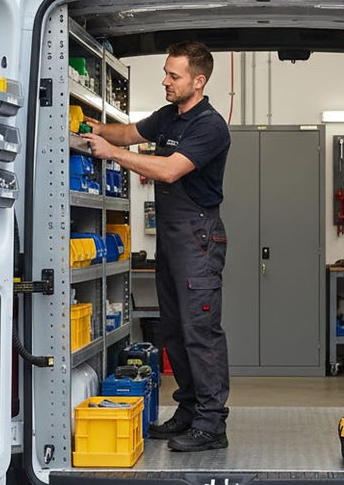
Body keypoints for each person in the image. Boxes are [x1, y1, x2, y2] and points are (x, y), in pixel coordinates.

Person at [81, 41, 231, 452]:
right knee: (176, 330)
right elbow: (128, 133)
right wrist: (93, 130)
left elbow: (168, 170)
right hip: (172, 237)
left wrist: (113, 153)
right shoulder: (169, 116)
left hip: (198, 237)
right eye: (165, 73)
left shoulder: (210, 125)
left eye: (174, 75)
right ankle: (188, 411)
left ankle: (212, 424)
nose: (165, 81)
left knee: (200, 330)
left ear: (198, 81)